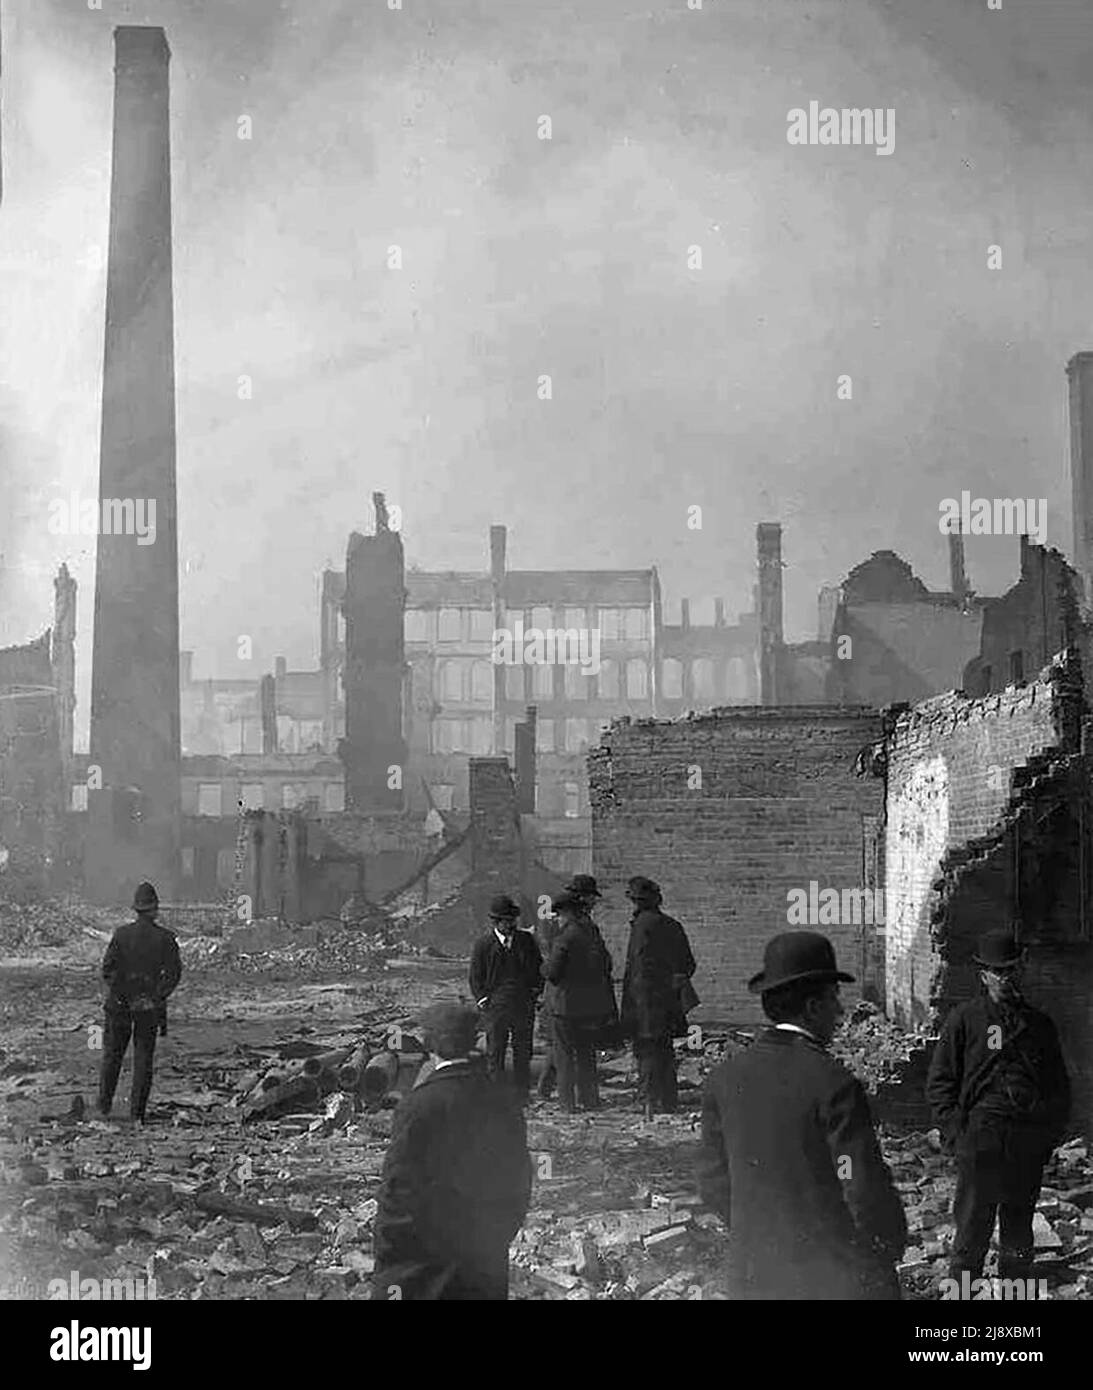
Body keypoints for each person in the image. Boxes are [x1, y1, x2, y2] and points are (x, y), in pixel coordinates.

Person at [698, 931, 906, 1299]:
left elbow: (713, 1182)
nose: (840, 1013)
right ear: (812, 1008)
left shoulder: (724, 1079)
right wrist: (882, 1248)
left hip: (754, 1273)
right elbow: (859, 1183)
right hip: (828, 1277)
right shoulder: (833, 1083)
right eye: (834, 1000)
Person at [926, 927, 1070, 1287]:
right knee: (973, 1226)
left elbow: (1059, 1088)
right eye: (997, 972)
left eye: (1011, 970)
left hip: (1026, 1141)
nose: (1005, 978)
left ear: (1020, 970)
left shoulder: (1039, 1025)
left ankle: (1014, 1295)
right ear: (983, 976)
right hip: (980, 1138)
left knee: (1019, 1229)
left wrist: (1047, 1137)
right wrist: (958, 1136)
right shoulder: (965, 1020)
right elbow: (940, 1084)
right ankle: (961, 1297)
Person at [372, 1002, 532, 1300]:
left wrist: (388, 1248)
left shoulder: (418, 1105)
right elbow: (520, 1175)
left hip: (425, 1264)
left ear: (430, 1044)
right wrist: (499, 1233)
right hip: (484, 1257)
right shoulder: (504, 1100)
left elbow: (398, 1189)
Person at [98, 882, 182, 1125]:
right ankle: (137, 1113)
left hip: (119, 1005)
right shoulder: (165, 938)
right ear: (154, 909)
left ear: (136, 909)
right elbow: (174, 974)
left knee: (112, 1056)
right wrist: (155, 997)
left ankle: (103, 1107)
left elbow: (108, 970)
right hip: (148, 1007)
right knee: (143, 1059)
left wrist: (125, 994)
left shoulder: (121, 934)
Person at [620, 876, 697, 1119]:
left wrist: (636, 1004)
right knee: (664, 1051)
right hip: (668, 1003)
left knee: (647, 1051)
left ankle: (648, 1102)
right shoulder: (672, 925)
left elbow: (638, 970)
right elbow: (688, 965)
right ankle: (668, 1101)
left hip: (645, 1002)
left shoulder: (642, 926)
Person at [543, 891, 616, 1113]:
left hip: (564, 1006)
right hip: (589, 1006)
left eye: (558, 915)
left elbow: (553, 973)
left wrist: (542, 967)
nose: (556, 919)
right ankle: (590, 1099)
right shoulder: (592, 933)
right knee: (586, 1054)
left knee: (564, 1054)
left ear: (567, 914)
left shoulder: (564, 938)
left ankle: (567, 1103)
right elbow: (607, 964)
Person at [469, 895, 542, 1098]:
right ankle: (495, 1095)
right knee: (495, 1051)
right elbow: (475, 976)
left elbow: (538, 968)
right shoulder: (483, 944)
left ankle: (522, 1093)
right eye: (506, 921)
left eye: (513, 920)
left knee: (523, 1051)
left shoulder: (526, 941)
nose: (511, 925)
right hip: (496, 1007)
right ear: (496, 922)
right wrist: (482, 999)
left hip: (523, 1004)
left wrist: (536, 992)